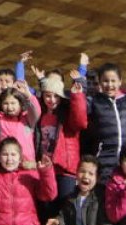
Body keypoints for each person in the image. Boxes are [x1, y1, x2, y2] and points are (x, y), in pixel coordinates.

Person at [35, 71, 88, 203]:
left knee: (66, 206)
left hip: (65, 168)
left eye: (56, 96)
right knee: (46, 206)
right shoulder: (39, 114)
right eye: (48, 96)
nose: (52, 100)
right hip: (45, 167)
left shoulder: (67, 112)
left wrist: (77, 97)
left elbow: (80, 122)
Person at [46, 155, 111, 225]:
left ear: (97, 178)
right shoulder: (71, 198)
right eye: (82, 171)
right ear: (76, 173)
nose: (85, 176)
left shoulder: (101, 199)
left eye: (91, 174)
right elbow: (64, 218)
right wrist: (57, 223)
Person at [0, 81, 40, 165]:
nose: (9, 107)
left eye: (13, 103)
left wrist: (28, 95)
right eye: (6, 103)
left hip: (26, 164)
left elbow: (36, 111)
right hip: (5, 164)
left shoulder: (27, 120)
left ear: (20, 104)